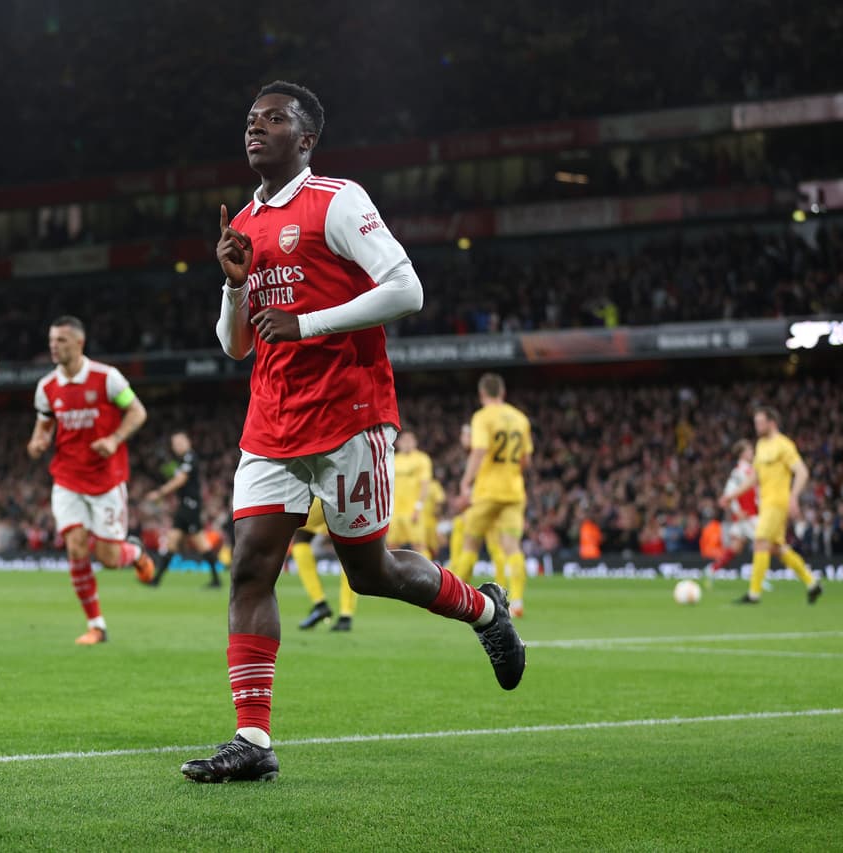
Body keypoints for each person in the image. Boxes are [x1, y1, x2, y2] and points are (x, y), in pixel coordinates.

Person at [181, 81, 525, 784]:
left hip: (349, 416)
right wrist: (234, 284)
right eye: (250, 119)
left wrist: (308, 323)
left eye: (274, 119)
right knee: (250, 567)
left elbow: (407, 289)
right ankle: (253, 738)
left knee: (370, 573)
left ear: (306, 139)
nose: (255, 128)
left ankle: (485, 610)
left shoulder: (337, 200)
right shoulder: (243, 221)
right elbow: (236, 346)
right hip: (271, 420)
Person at [27, 315, 156, 645]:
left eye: (61, 340)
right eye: (52, 340)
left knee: (109, 559)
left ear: (79, 343)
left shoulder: (107, 378)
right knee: (76, 547)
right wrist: (38, 442)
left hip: (106, 480)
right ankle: (96, 625)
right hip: (67, 478)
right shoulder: (47, 387)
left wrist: (114, 439)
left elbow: (137, 412)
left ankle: (136, 553)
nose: (54, 346)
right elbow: (44, 425)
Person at [450, 375, 532, 618]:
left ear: (482, 394)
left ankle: (455, 600)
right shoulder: (520, 418)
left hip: (487, 492)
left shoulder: (483, 417)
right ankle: (517, 602)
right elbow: (526, 460)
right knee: (512, 546)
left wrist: (466, 482)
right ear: (503, 392)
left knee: (470, 543)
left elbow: (479, 451)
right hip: (514, 491)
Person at [737, 408, 823, 604]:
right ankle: (812, 583)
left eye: (760, 422)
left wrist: (793, 496)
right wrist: (732, 495)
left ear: (772, 423)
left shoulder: (784, 445)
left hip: (777, 503)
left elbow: (802, 471)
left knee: (760, 541)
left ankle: (754, 594)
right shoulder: (760, 445)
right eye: (756, 422)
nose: (757, 426)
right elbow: (754, 477)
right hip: (765, 503)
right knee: (777, 548)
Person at [144, 431, 224, 588]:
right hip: (184, 506)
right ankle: (156, 580)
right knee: (172, 542)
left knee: (201, 543)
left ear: (188, 442)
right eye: (175, 443)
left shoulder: (190, 458)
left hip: (191, 506)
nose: (177, 446)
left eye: (180, 442)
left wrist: (159, 493)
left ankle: (216, 580)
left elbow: (180, 480)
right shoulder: (181, 460)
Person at [448, 423, 507, 584]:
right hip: (491, 507)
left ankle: (458, 584)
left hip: (480, 508)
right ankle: (502, 587)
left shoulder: (479, 457)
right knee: (496, 549)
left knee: (466, 545)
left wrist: (468, 497)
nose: (463, 439)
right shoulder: (485, 455)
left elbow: (483, 484)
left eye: (465, 435)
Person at [290, 498, 357, 632]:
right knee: (349, 547)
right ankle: (346, 615)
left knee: (301, 538)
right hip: (353, 499)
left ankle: (319, 603)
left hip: (324, 495)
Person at [707, 439, 758, 586]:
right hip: (748, 516)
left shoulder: (750, 470)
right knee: (763, 544)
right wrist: (737, 511)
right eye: (749, 450)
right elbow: (728, 493)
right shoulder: (738, 472)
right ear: (742, 454)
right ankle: (758, 578)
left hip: (750, 514)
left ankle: (712, 569)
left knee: (736, 547)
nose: (752, 452)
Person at [387, 430, 432, 557]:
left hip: (413, 510)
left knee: (419, 545)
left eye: (410, 440)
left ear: (415, 442)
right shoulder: (393, 459)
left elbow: (425, 485)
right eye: (404, 440)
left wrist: (418, 507)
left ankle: (426, 569)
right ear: (398, 443)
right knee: (392, 546)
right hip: (395, 512)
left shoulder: (422, 459)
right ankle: (394, 570)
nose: (407, 443)